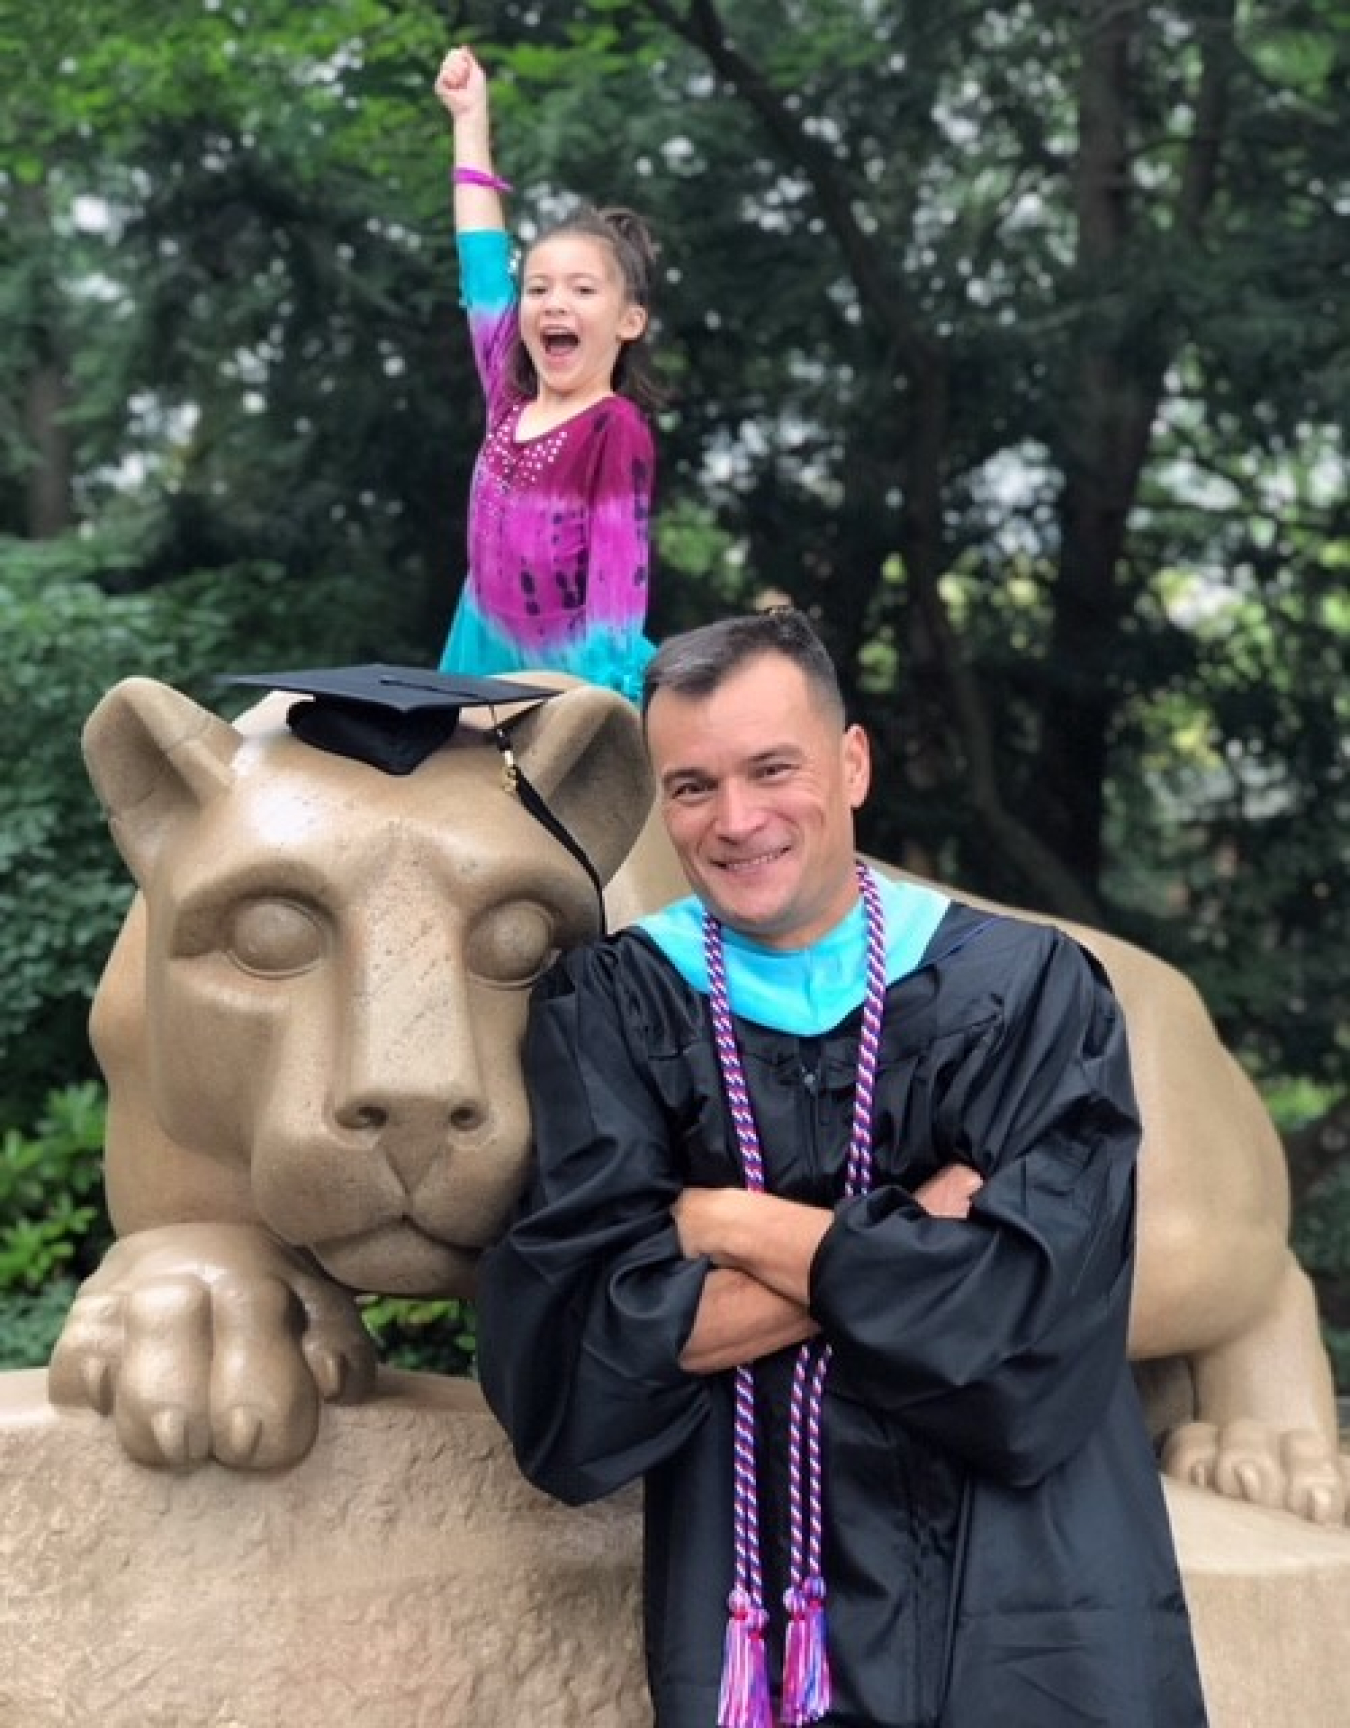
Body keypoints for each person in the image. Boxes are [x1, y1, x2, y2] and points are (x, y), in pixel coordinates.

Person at [476, 608, 1209, 1727]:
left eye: (775, 769)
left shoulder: (1027, 992)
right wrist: (915, 1235)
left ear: (852, 763)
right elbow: (578, 1362)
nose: (738, 820)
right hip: (759, 1626)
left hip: (1032, 1615)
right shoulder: (615, 1010)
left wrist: (726, 1224)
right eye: (692, 786)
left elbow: (1028, 1324)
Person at [432, 43, 659, 701]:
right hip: (477, 649)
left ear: (629, 321)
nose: (555, 302)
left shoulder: (615, 428)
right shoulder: (509, 393)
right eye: (539, 289)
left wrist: (592, 709)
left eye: (583, 290)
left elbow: (620, 586)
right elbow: (481, 264)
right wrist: (469, 121)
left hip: (567, 677)